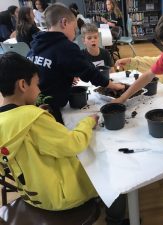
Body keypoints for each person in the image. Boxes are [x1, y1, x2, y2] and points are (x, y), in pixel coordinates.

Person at [0, 51, 100, 211]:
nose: (39, 90)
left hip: (32, 197)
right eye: (36, 84)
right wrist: (88, 122)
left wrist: (37, 113)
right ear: (23, 85)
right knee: (107, 169)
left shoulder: (5, 120)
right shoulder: (33, 119)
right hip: (61, 196)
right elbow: (73, 144)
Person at [27, 3, 124, 124]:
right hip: (50, 109)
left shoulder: (37, 44)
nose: (74, 34)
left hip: (31, 105)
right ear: (64, 22)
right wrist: (111, 85)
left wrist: (65, 75)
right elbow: (89, 71)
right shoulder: (65, 47)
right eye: (74, 29)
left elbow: (49, 68)